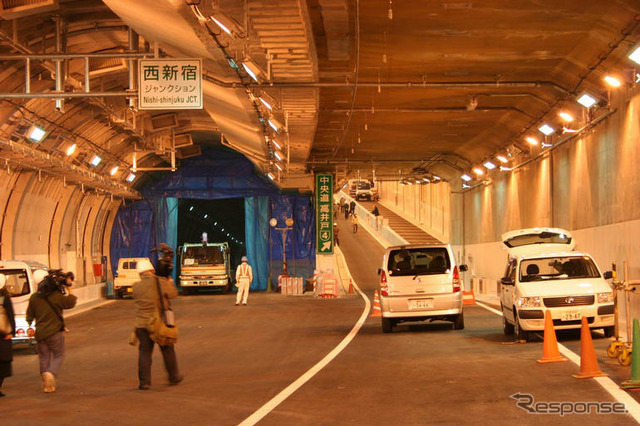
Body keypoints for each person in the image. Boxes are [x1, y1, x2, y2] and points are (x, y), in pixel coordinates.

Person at [133, 243, 182, 390]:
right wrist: (170, 282)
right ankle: (174, 377)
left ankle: (144, 382)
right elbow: (173, 294)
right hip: (158, 323)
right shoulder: (159, 282)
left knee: (144, 353)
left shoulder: (136, 287)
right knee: (167, 349)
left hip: (141, 325)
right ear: (150, 270)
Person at [26, 270, 77, 393]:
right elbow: (70, 302)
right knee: (59, 354)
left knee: (44, 357)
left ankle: (46, 383)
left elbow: (29, 317)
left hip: (40, 333)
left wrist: (30, 325)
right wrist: (70, 288)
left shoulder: (34, 298)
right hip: (54, 332)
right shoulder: (57, 296)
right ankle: (50, 372)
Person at [0, 275, 16, 397]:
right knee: (3, 363)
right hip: (3, 335)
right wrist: (12, 332)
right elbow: (11, 316)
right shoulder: (4, 299)